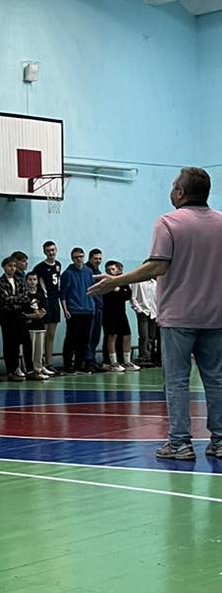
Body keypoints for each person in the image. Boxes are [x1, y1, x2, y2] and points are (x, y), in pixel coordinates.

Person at [89, 167, 222, 460]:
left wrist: (116, 280)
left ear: (180, 193)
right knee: (216, 379)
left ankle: (179, 443)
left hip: (178, 317)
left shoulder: (168, 222)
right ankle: (220, 441)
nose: (171, 190)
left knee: (176, 381)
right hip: (216, 317)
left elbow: (158, 266)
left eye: (173, 186)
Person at [59, 248, 95, 375]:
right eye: (76, 257)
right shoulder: (67, 274)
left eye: (81, 256)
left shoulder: (88, 271)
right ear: (72, 259)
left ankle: (80, 365)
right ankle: (68, 365)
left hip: (88, 310)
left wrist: (93, 306)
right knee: (71, 339)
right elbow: (63, 294)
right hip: (74, 310)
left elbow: (92, 289)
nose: (79, 259)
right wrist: (65, 310)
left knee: (85, 340)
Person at [100, 263, 139, 371]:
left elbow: (127, 295)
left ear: (118, 270)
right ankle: (113, 362)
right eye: (108, 270)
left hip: (121, 312)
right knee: (112, 336)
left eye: (112, 269)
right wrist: (115, 291)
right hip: (109, 313)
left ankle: (127, 362)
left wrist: (119, 291)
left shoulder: (122, 282)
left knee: (127, 335)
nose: (110, 271)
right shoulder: (105, 282)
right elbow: (105, 295)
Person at [0, 255, 28, 380]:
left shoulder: (19, 280)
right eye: (10, 266)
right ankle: (11, 369)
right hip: (7, 315)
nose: (12, 268)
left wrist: (14, 299)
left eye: (14, 266)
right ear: (4, 267)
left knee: (21, 339)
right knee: (9, 342)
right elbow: (4, 299)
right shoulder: (0, 282)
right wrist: (17, 299)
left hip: (18, 314)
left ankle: (19, 367)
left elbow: (25, 297)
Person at [34, 241, 62, 373]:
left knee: (51, 335)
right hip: (45, 303)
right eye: (48, 251)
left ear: (56, 250)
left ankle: (49, 363)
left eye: (53, 250)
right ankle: (40, 364)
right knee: (43, 335)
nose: (51, 253)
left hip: (55, 303)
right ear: (44, 252)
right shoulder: (39, 268)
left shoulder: (58, 265)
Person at [22, 273, 53, 378]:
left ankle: (39, 369)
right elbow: (22, 313)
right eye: (30, 279)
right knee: (30, 350)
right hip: (29, 326)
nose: (32, 281)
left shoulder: (40, 295)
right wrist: (32, 315)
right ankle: (30, 370)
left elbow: (44, 308)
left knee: (39, 350)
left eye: (34, 279)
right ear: (26, 281)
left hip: (40, 325)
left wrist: (42, 313)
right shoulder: (24, 295)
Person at [131, 276, 160, 367]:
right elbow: (133, 297)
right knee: (143, 335)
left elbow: (156, 299)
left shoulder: (155, 283)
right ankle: (143, 357)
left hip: (153, 312)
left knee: (151, 336)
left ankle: (149, 357)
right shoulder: (138, 281)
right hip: (143, 311)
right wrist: (139, 310)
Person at [86, 248, 106, 371]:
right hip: (89, 308)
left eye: (100, 259)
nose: (98, 261)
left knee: (96, 335)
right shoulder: (86, 272)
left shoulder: (98, 272)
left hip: (98, 307)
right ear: (90, 259)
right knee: (88, 335)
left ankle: (92, 359)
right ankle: (87, 361)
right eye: (95, 259)